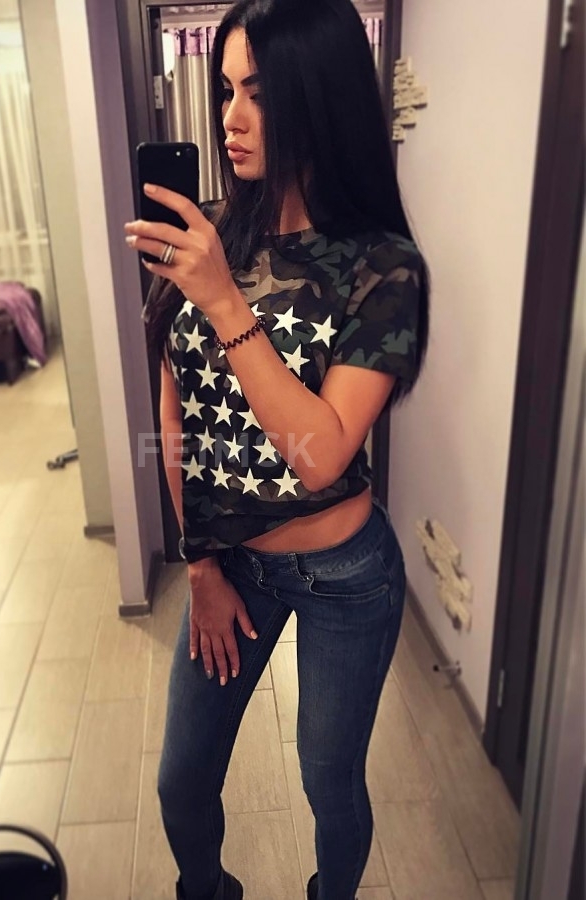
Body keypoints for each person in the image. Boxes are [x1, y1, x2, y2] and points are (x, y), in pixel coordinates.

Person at [124, 0, 430, 897]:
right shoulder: (213, 237)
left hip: (343, 574)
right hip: (229, 562)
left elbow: (321, 454)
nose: (232, 117)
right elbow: (176, 409)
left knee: (328, 784)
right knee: (180, 782)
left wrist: (226, 302)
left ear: (318, 96)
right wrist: (201, 563)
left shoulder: (382, 265)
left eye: (259, 92)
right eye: (225, 90)